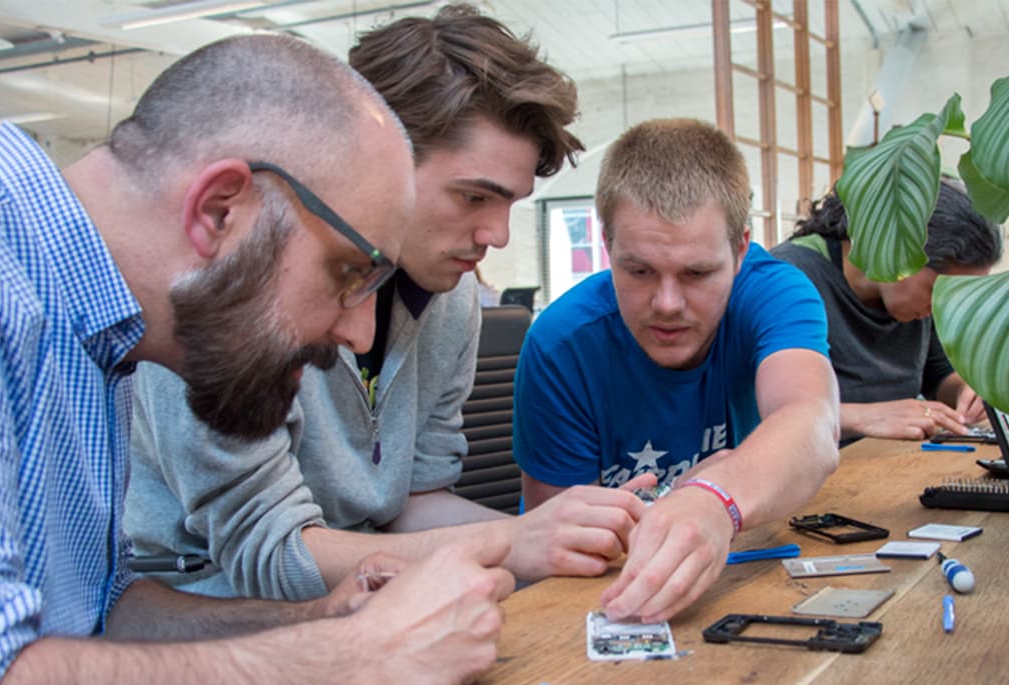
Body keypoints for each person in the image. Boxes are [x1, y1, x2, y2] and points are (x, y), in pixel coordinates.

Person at [0, 35, 517, 685]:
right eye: (345, 273)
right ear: (219, 210)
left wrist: (314, 618)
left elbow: (102, 618)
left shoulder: (102, 334)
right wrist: (352, 655)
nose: (360, 333)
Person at [125, 4, 649, 602]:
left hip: (374, 589)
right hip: (209, 607)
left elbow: (412, 502)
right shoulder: (240, 288)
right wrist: (511, 543)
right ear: (379, 161)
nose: (497, 235)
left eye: (511, 204)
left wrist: (560, 539)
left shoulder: (451, 302)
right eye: (474, 196)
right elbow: (268, 552)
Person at [513, 118, 841, 623]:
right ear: (607, 247)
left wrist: (715, 499)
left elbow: (812, 423)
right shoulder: (561, 344)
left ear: (740, 250)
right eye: (639, 270)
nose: (667, 304)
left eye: (697, 273)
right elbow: (555, 558)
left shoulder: (777, 291)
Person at [771, 182, 1003, 442]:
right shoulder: (788, 279)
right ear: (897, 250)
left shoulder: (914, 302)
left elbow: (938, 375)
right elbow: (764, 410)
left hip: (889, 465)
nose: (940, 307)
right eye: (937, 291)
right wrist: (867, 417)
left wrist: (965, 392)